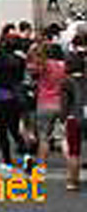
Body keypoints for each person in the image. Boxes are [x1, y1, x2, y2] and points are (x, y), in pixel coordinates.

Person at [0, 37, 32, 170]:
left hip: (1, 95)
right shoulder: (19, 61)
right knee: (14, 129)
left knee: (2, 130)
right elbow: (20, 78)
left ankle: (7, 161)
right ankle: (26, 154)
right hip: (16, 96)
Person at [30, 37, 66, 165]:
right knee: (63, 138)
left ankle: (41, 165)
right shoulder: (64, 66)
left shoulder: (44, 66)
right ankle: (71, 163)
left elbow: (32, 69)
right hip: (60, 103)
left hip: (44, 103)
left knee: (43, 138)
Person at [60, 52, 87, 191]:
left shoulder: (66, 81)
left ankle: (73, 181)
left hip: (73, 117)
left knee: (74, 152)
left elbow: (64, 104)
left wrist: (62, 118)